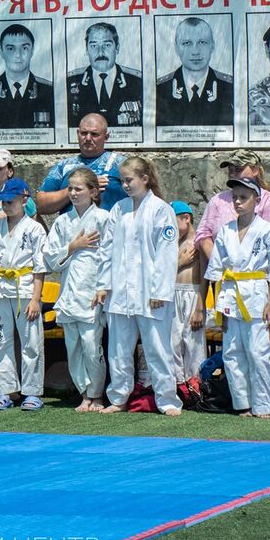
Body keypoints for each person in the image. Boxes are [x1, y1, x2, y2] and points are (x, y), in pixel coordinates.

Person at [204, 177, 270, 418]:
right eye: (235, 197)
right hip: (230, 294)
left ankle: (263, 404)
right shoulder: (226, 231)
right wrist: (219, 307)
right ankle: (242, 403)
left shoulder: (267, 231)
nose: (238, 202)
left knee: (258, 352)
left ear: (257, 200)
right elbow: (215, 272)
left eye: (243, 197)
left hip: (256, 293)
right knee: (232, 352)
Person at [98, 156, 181, 416]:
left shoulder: (161, 209)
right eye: (122, 181)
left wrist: (160, 291)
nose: (125, 185)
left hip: (150, 292)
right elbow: (106, 249)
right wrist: (103, 284)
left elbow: (167, 254)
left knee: (157, 348)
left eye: (129, 180)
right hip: (120, 291)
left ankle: (167, 399)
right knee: (118, 349)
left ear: (145, 179)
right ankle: (118, 397)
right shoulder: (118, 209)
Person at [43, 167, 112, 412]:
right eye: (70, 188)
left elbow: (110, 256)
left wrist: (104, 286)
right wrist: (74, 246)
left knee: (92, 347)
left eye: (78, 189)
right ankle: (84, 393)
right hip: (69, 292)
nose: (73, 193)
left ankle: (97, 394)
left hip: (92, 291)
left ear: (93, 192)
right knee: (73, 348)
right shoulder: (62, 221)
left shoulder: (103, 218)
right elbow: (50, 258)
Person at [0, 177, 47, 411]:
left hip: (25, 289)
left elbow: (40, 266)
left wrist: (36, 299)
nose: (6, 206)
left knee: (31, 342)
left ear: (24, 200)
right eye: (3, 202)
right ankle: (4, 391)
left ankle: (32, 392)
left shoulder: (35, 229)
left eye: (11, 201)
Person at [35, 113, 128, 214]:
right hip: (71, 224)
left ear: (106, 137)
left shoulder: (121, 163)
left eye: (94, 134)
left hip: (109, 223)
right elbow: (40, 205)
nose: (88, 138)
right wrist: (77, 189)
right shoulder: (64, 166)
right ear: (77, 134)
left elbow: (140, 195)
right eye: (84, 133)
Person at [155, 17, 234, 126]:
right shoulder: (159, 89)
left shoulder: (231, 88)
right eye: (187, 43)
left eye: (202, 42)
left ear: (213, 46)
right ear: (176, 48)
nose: (195, 51)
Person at [66, 22, 143, 128]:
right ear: (87, 50)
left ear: (117, 48)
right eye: (94, 46)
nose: (100, 52)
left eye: (107, 45)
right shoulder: (70, 82)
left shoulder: (137, 82)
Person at [0, 23, 54, 130]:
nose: (18, 55)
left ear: (32, 51)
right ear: (1, 52)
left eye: (24, 48)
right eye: (10, 49)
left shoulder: (49, 91)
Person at [170, 201, 204, 385]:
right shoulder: (171, 244)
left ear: (186, 218)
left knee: (194, 343)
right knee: (173, 341)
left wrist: (200, 307)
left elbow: (205, 278)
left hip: (193, 293)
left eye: (173, 222)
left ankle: (195, 384)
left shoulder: (199, 242)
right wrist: (180, 262)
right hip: (173, 294)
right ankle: (176, 384)